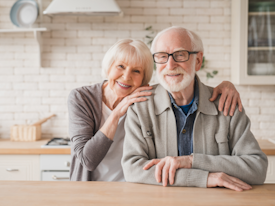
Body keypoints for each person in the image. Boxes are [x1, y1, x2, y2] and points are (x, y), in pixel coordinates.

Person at [68, 38, 243, 182]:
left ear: (144, 79)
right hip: (90, 188)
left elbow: (181, 84)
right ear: (109, 66)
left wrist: (227, 85)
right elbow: (88, 160)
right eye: (120, 66)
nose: (126, 77)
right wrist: (116, 113)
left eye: (136, 71)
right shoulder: (82, 98)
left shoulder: (143, 99)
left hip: (133, 187)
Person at [121, 27, 268, 191]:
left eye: (180, 55)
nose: (170, 65)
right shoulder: (140, 106)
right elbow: (132, 169)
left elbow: (257, 168)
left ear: (198, 61)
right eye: (162, 56)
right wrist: (204, 178)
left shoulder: (227, 104)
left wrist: (191, 161)